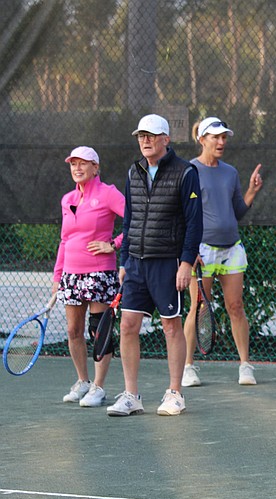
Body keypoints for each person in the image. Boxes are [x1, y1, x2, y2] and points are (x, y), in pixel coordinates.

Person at [106, 114, 203, 417]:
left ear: (166, 139)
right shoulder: (133, 172)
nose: (145, 141)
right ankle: (131, 395)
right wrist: (125, 261)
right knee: (128, 325)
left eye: (151, 135)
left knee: (170, 326)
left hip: (168, 262)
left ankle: (175, 393)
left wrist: (186, 263)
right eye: (141, 136)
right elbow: (130, 218)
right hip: (136, 263)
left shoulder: (186, 172)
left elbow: (194, 223)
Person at [181, 117, 263, 387]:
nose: (221, 142)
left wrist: (251, 190)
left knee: (235, 307)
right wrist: (189, 251)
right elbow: (183, 217)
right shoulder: (189, 171)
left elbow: (238, 211)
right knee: (197, 307)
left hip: (232, 249)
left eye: (224, 137)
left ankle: (245, 366)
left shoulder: (230, 172)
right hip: (201, 250)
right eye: (215, 137)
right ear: (202, 139)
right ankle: (188, 367)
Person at [53, 146, 125, 407]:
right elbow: (65, 239)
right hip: (71, 274)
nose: (77, 168)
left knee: (99, 330)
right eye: (73, 164)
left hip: (100, 272)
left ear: (96, 168)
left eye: (83, 163)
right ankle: (83, 381)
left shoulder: (109, 194)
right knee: (74, 330)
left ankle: (99, 386)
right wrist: (57, 277)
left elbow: (136, 221)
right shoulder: (67, 199)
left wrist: (114, 244)